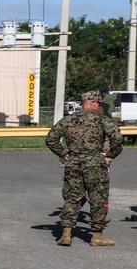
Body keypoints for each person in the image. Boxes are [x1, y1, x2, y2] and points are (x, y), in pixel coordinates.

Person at [45, 90, 123, 247]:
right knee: (98, 198)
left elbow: (51, 140)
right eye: (98, 104)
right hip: (95, 164)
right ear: (94, 104)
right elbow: (117, 139)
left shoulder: (67, 120)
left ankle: (66, 234)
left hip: (73, 164)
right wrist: (109, 155)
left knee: (72, 197)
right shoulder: (102, 120)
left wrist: (64, 154)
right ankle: (97, 236)